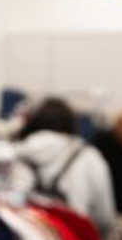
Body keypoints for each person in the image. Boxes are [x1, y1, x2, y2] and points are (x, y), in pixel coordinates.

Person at [13, 97, 114, 228]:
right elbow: (104, 216)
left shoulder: (17, 152)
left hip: (29, 233)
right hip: (74, 237)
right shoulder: (89, 156)